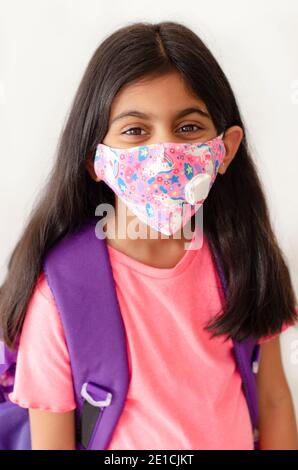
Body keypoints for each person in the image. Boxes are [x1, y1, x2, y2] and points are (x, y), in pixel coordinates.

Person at [1, 21, 298, 450]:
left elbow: (272, 400)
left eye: (189, 128)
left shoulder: (244, 258)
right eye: (135, 131)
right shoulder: (60, 297)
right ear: (95, 160)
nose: (164, 154)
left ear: (226, 149)